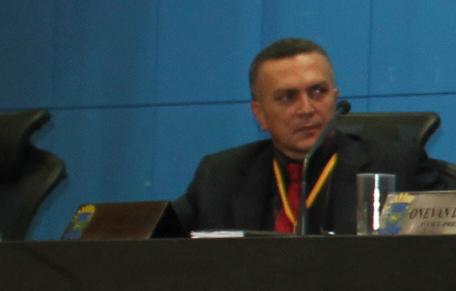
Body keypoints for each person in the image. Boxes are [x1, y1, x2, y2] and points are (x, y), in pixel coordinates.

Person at [174, 37, 421, 234]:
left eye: (318, 92)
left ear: (334, 99)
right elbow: (158, 244)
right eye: (287, 97)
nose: (306, 109)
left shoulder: (398, 166)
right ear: (259, 114)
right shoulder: (219, 175)